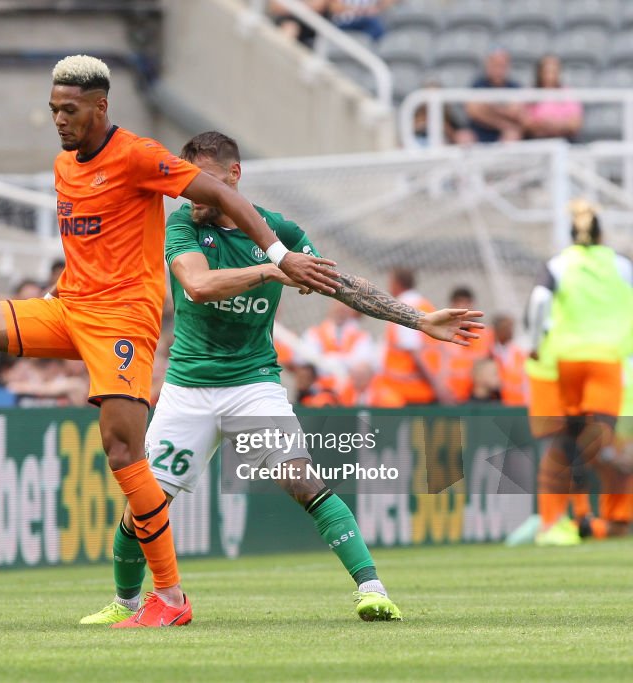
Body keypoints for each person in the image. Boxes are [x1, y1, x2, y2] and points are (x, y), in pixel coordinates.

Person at [0, 55, 345, 629]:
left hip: (122, 322)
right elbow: (86, 244)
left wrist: (279, 256)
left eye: (69, 110)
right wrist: (55, 292)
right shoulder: (64, 164)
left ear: (101, 107)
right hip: (69, 310)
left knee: (124, 454)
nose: (59, 120)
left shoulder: (140, 155)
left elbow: (226, 198)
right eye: (53, 109)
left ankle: (168, 599)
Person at [79, 131, 482, 626]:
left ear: (233, 177)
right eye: (185, 181)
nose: (190, 191)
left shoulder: (279, 231)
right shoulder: (182, 224)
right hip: (188, 388)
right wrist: (270, 271)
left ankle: (372, 589)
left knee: (300, 477)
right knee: (144, 502)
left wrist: (418, 320)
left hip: (254, 384)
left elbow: (341, 286)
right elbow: (198, 285)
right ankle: (124, 603)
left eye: (201, 180)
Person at [526, 200, 633, 545]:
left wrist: (534, 340)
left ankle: (569, 519)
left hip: (566, 361)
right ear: (601, 232)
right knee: (598, 441)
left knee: (568, 440)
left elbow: (540, 301)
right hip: (608, 360)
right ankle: (577, 518)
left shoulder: (559, 264)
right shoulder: (621, 264)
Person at [380, 268, 448, 404]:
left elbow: (415, 352)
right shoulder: (426, 305)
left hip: (406, 393)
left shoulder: (403, 308)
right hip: (425, 391)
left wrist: (438, 387)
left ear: (397, 284)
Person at [466, 48, 524, 144]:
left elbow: (515, 112)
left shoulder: (514, 86)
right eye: (494, 65)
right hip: (479, 131)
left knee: (513, 134)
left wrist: (487, 109)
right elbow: (473, 111)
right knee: (464, 137)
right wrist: (504, 124)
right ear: (488, 65)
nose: (498, 69)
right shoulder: (478, 84)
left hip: (504, 133)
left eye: (501, 65)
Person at [523, 55, 583, 142]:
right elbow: (525, 122)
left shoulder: (567, 93)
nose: (550, 75)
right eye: (547, 71)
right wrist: (544, 125)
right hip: (537, 140)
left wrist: (556, 125)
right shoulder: (531, 93)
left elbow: (576, 123)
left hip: (563, 140)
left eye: (554, 71)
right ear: (540, 72)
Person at [329, 0, 397, 42]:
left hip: (369, 20)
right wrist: (356, 10)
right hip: (343, 22)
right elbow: (331, 6)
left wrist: (377, 8)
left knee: (377, 28)